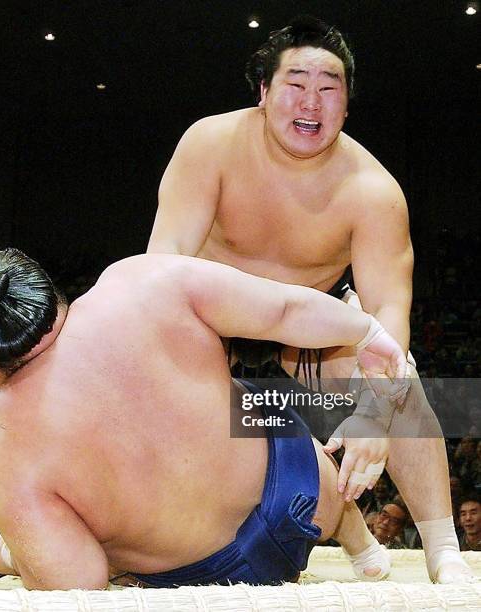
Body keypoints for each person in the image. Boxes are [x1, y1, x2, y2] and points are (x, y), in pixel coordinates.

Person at [146, 15, 473, 583]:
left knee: (396, 375)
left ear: (347, 106)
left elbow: (388, 318)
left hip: (314, 323)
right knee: (132, 373)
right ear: (264, 92)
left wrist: (375, 407)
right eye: (296, 84)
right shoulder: (210, 144)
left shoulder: (373, 191)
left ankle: (444, 547)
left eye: (329, 89)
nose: (312, 102)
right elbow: (163, 264)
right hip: (211, 317)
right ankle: (352, 532)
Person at [0, 248, 409, 590]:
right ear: (49, 295)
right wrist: (368, 334)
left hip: (235, 571)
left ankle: (358, 538)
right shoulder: (142, 283)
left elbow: (76, 582)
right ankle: (356, 535)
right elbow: (285, 307)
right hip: (306, 487)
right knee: (256, 399)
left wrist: (12, 558)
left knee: (100, 542)